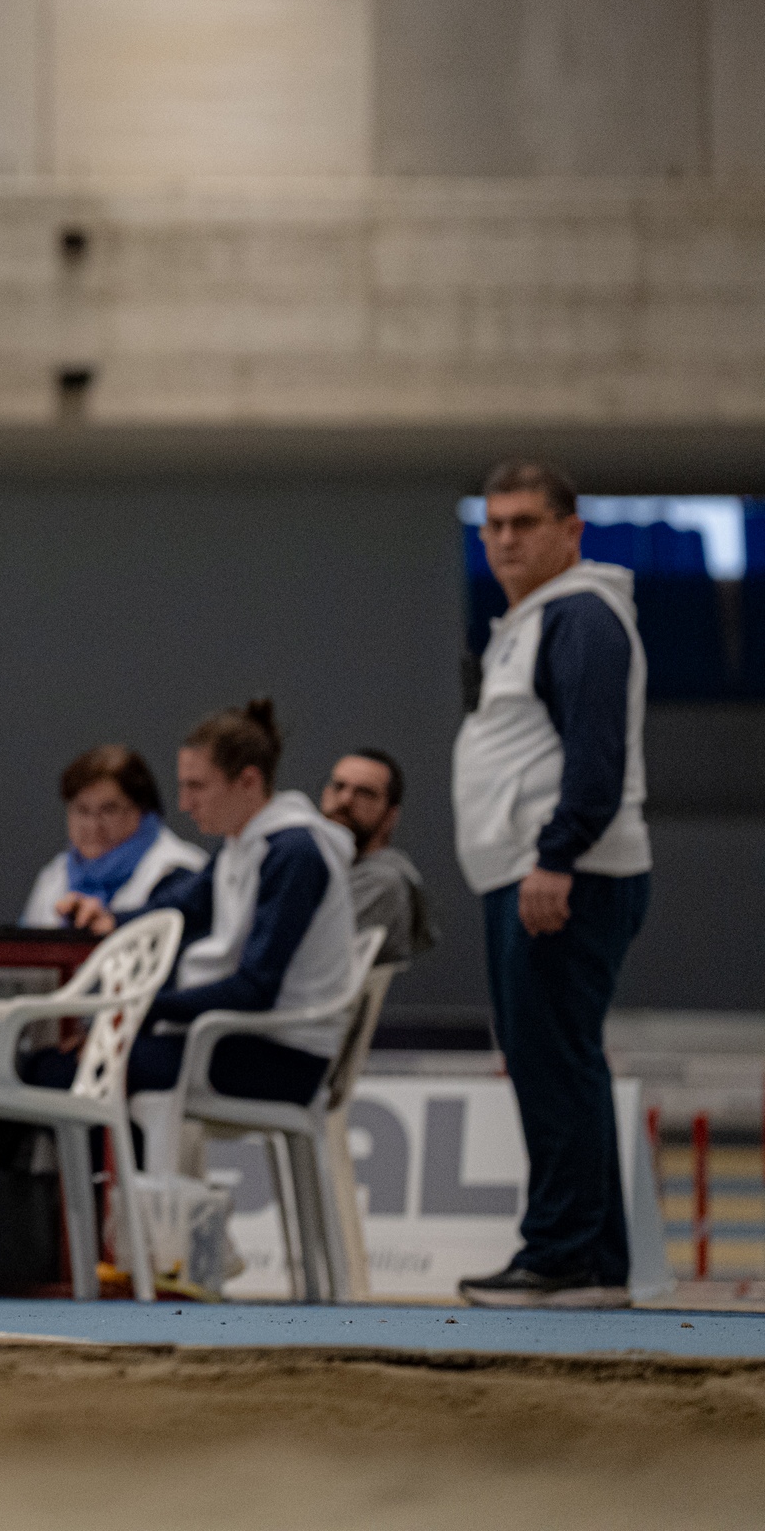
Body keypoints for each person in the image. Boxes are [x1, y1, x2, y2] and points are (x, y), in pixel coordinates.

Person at [450, 459, 651, 1310]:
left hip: (561, 875)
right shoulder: (532, 621)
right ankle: (594, 1262)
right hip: (537, 871)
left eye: (524, 523)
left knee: (553, 1063)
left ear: (571, 531)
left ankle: (562, 1253)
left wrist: (557, 857)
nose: (505, 539)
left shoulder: (582, 616)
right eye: (493, 525)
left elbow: (596, 758)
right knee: (560, 1060)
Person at [52, 699, 359, 1111]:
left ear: (248, 781)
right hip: (238, 1038)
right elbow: (181, 910)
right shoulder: (241, 845)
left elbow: (255, 989)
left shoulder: (293, 854)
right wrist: (108, 919)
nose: (184, 803)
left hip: (282, 1055)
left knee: (60, 1071)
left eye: (197, 787)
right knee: (60, 1065)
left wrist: (137, 1009)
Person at [19, 744, 207, 928]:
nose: (93, 825)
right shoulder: (54, 875)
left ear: (141, 809)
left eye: (109, 810)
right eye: (82, 810)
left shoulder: (177, 872)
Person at [319, 749, 439, 967]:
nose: (345, 800)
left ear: (390, 816)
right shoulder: (316, 866)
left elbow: (307, 958)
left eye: (365, 793)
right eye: (339, 786)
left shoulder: (383, 881)